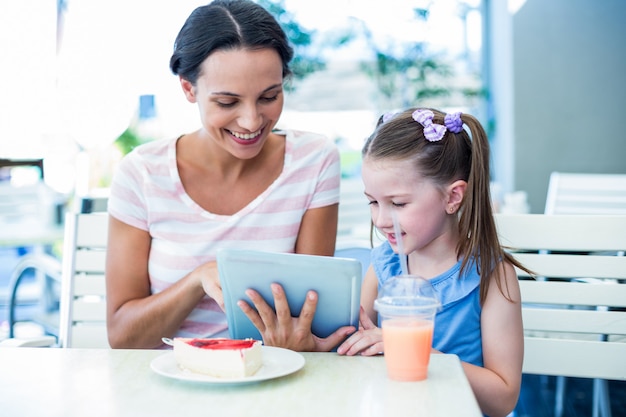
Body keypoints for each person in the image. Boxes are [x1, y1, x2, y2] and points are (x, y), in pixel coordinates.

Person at [105, 0, 352, 350]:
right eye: (227, 102)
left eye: (269, 96)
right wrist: (197, 280)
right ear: (189, 89)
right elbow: (122, 336)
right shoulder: (143, 173)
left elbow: (309, 317)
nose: (252, 122)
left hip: (276, 379)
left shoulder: (313, 161)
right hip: (172, 388)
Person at [335, 108, 532, 417]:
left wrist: (414, 351)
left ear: (452, 197)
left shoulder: (492, 276)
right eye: (373, 202)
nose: (381, 220)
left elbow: (503, 398)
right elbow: (355, 347)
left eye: (398, 203)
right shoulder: (385, 264)